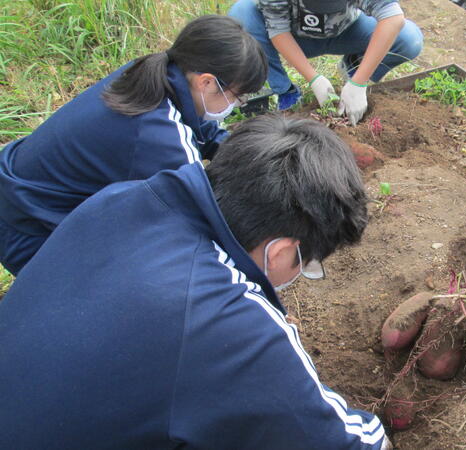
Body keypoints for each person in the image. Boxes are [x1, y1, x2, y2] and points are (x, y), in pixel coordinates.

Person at [0, 115, 391, 449]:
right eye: (306, 264)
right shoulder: (227, 323)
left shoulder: (125, 196)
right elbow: (342, 442)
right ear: (280, 252)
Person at [0, 15, 268, 276]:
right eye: (238, 95)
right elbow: (203, 223)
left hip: (20, 190)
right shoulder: (160, 138)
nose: (238, 104)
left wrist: (252, 156)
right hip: (31, 228)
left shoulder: (153, 72)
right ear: (206, 82)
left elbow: (201, 129)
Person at [228, 0, 423, 124]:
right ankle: (286, 91)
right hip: (297, 39)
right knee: (242, 14)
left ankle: (353, 67)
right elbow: (278, 29)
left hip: (348, 32)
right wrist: (314, 79)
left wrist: (359, 81)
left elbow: (393, 18)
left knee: (408, 38)